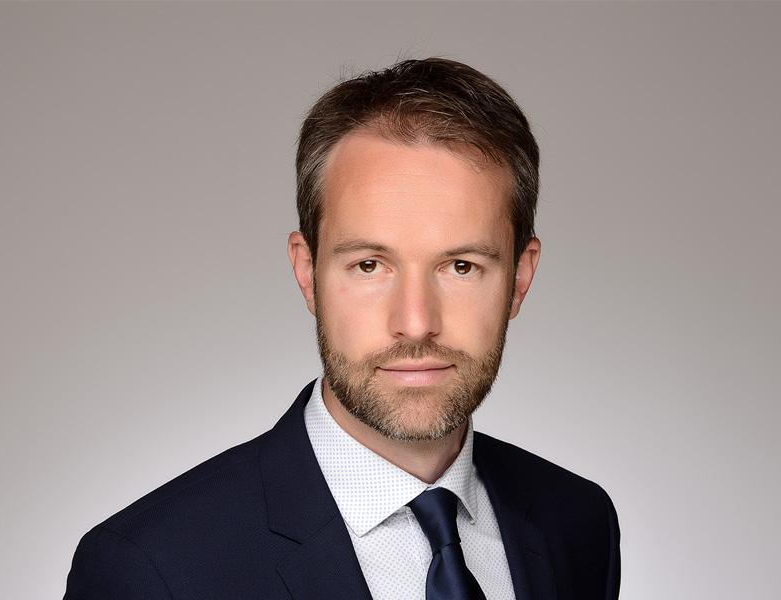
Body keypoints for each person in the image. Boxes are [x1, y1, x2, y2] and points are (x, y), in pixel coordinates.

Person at [64, 57, 621, 600]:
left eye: (460, 266)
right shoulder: (148, 570)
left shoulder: (578, 522)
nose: (415, 324)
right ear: (307, 273)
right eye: (369, 265)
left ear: (520, 277)